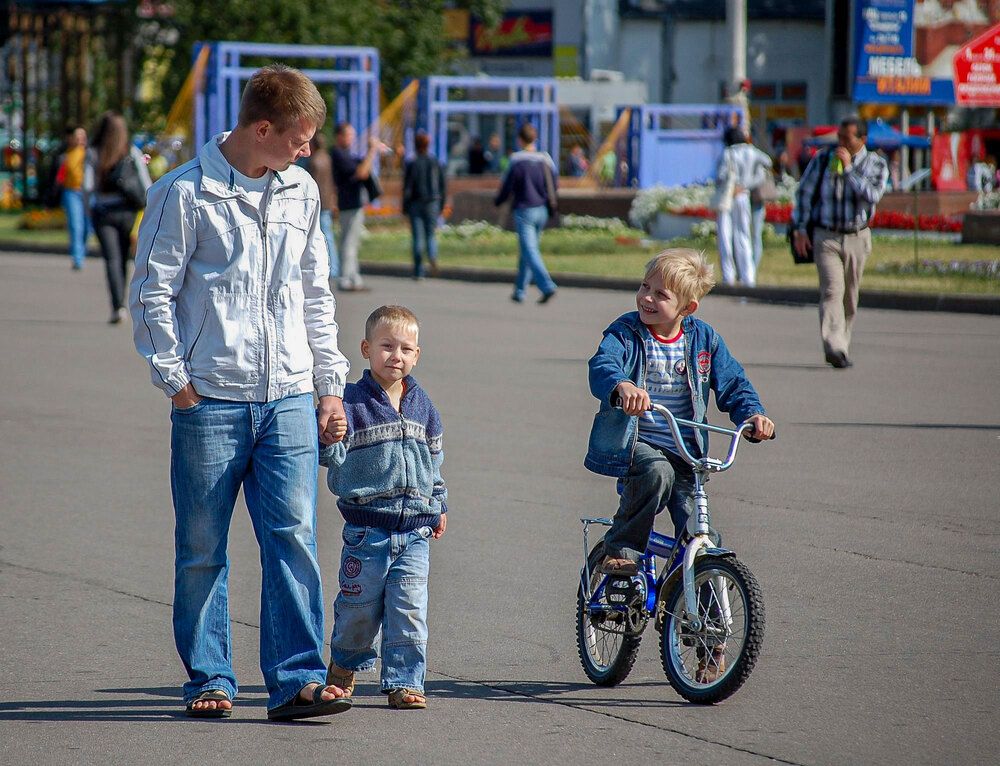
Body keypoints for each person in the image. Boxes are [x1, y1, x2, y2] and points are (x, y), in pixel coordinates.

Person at [128, 64, 353, 722]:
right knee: (203, 549)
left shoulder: (301, 193)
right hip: (211, 402)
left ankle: (296, 682)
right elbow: (152, 293)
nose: (307, 151)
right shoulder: (184, 193)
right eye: (300, 139)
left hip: (287, 396)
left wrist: (328, 385)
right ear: (262, 128)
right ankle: (211, 676)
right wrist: (177, 383)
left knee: (294, 539)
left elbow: (316, 294)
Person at [585, 249, 774, 678]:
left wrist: (753, 416)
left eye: (660, 295)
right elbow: (602, 365)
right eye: (644, 288)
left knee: (698, 536)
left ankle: (710, 643)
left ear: (687, 308)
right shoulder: (627, 332)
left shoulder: (703, 339)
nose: (647, 299)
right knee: (656, 472)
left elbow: (733, 385)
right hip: (637, 443)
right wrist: (621, 385)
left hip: (688, 450)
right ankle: (620, 549)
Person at [320, 305, 447, 711]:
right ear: (366, 349)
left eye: (406, 349)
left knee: (409, 608)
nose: (397, 356)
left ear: (417, 355)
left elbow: (434, 463)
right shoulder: (351, 403)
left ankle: (404, 681)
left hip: (415, 530)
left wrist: (438, 504)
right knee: (359, 608)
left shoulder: (423, 405)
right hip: (367, 530)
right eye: (387, 346)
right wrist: (330, 436)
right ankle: (344, 663)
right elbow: (330, 456)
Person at [793, 115, 888, 369]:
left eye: (847, 139)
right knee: (832, 290)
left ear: (862, 140)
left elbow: (872, 195)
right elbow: (804, 192)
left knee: (850, 295)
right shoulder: (823, 159)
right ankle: (834, 346)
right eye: (840, 137)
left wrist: (848, 171)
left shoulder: (876, 163)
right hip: (827, 237)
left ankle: (843, 342)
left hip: (858, 235)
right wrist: (800, 228)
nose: (841, 143)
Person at [84, 112, 151, 323]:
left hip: (104, 212)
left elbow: (87, 187)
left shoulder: (93, 153)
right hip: (128, 212)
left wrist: (88, 210)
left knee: (111, 259)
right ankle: (123, 302)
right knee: (123, 259)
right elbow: (146, 184)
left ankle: (117, 306)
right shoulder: (131, 151)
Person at [494, 123, 558, 304]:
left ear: (519, 140)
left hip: (524, 210)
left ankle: (547, 285)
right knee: (527, 249)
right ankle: (520, 290)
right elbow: (554, 183)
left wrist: (498, 201)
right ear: (534, 139)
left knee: (530, 250)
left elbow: (506, 186)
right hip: (542, 210)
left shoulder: (516, 160)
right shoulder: (545, 159)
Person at [713, 126, 769, 287]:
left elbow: (721, 175)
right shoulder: (752, 151)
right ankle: (748, 276)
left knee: (725, 236)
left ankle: (728, 276)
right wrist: (747, 182)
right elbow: (767, 161)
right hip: (743, 195)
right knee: (744, 236)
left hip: (728, 197)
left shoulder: (728, 152)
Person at [331, 121, 383, 291]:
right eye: (348, 135)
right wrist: (372, 150)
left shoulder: (346, 154)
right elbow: (362, 172)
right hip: (349, 203)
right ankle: (346, 278)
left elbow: (363, 168)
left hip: (353, 203)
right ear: (339, 136)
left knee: (353, 242)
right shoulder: (338, 154)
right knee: (348, 242)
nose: (351, 139)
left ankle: (353, 276)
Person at [403, 131, 446, 279]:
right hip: (433, 202)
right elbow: (442, 185)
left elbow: (407, 186)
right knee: (430, 234)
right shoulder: (435, 161)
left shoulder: (412, 162)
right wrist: (441, 205)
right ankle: (432, 256)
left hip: (416, 203)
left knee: (417, 237)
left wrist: (405, 207)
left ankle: (418, 270)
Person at [306, 132, 340, 281]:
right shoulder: (327, 158)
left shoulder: (313, 161)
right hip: (327, 201)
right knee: (329, 236)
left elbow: (311, 184)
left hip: (318, 202)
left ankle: (329, 268)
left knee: (319, 237)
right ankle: (335, 267)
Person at [58, 126, 89, 270]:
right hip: (71, 192)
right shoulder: (66, 155)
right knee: (76, 225)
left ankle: (81, 251)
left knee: (88, 226)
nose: (80, 139)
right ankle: (78, 258)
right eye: (77, 136)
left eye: (82, 136)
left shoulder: (89, 154)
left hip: (88, 193)